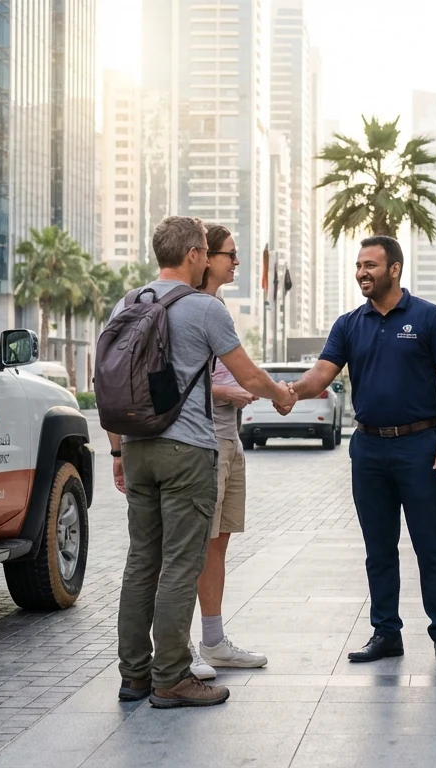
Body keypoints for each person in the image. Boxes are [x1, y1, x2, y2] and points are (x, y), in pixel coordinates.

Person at [108, 216, 294, 709]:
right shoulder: (203, 309)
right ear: (194, 254)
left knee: (140, 562)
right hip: (187, 451)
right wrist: (280, 395)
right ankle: (171, 678)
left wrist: (116, 451)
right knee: (179, 564)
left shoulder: (127, 303)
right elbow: (248, 376)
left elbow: (109, 380)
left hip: (137, 446)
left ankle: (134, 677)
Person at [280, 235, 436, 668]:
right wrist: (289, 391)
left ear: (394, 269)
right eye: (359, 265)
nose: (362, 272)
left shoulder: (428, 317)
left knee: (430, 545)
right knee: (378, 547)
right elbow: (322, 373)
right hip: (368, 449)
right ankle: (386, 632)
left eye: (371, 265)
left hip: (421, 446)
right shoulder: (349, 323)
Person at [181, 224, 267, 680]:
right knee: (190, 546)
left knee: (219, 542)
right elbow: (181, 381)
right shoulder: (191, 307)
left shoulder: (217, 306)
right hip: (202, 440)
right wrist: (235, 393)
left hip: (228, 438)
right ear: (205, 257)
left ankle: (213, 641)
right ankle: (182, 647)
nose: (236, 263)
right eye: (231, 254)